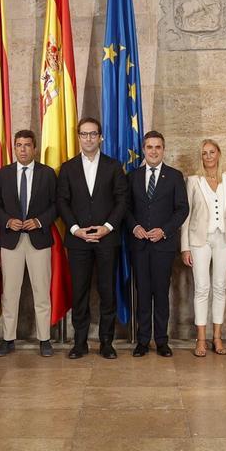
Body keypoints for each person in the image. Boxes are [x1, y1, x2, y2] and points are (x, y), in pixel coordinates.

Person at [56, 117, 128, 360]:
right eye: (84, 134)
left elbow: (122, 201)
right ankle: (80, 342)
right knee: (80, 292)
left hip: (107, 239)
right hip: (78, 241)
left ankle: (107, 342)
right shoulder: (67, 168)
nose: (88, 138)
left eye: (93, 134)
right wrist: (75, 229)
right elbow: (62, 202)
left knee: (107, 291)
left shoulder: (114, 166)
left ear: (100, 137)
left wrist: (107, 227)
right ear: (79, 137)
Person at [0, 130, 58, 358]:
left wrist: (39, 221)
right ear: (14, 147)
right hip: (11, 241)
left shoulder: (47, 174)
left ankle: (44, 339)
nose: (22, 149)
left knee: (41, 292)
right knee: (10, 292)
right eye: (18, 145)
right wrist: (7, 221)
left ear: (35, 148)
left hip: (39, 240)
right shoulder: (4, 174)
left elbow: (56, 205)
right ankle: (8, 339)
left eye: (27, 145)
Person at [125, 131, 189, 358]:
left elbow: (182, 208)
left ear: (163, 149)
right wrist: (135, 227)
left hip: (163, 245)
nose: (153, 151)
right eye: (149, 147)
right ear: (143, 149)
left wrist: (164, 230)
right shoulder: (133, 176)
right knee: (142, 293)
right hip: (139, 245)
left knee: (161, 294)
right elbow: (126, 208)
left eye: (158, 147)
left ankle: (161, 340)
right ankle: (143, 340)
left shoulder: (174, 176)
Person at [180, 139, 226, 357]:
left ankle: (218, 336)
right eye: (204, 153)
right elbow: (186, 216)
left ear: (218, 153)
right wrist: (185, 247)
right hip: (200, 239)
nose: (208, 156)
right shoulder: (194, 181)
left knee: (220, 286)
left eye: (211, 152)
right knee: (202, 287)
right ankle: (201, 339)